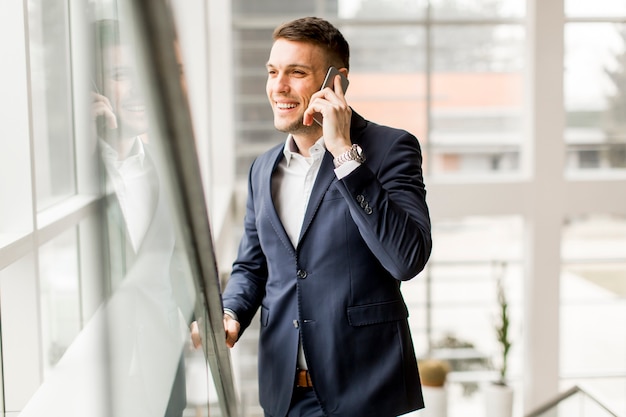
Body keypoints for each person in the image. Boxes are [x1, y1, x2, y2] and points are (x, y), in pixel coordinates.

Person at [221, 16, 432, 417]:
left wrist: (345, 155)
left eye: (296, 73)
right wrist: (231, 313)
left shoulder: (391, 148)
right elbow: (252, 267)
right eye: (272, 72)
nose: (278, 87)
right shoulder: (262, 169)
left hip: (367, 393)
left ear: (336, 82)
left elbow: (407, 259)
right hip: (286, 397)